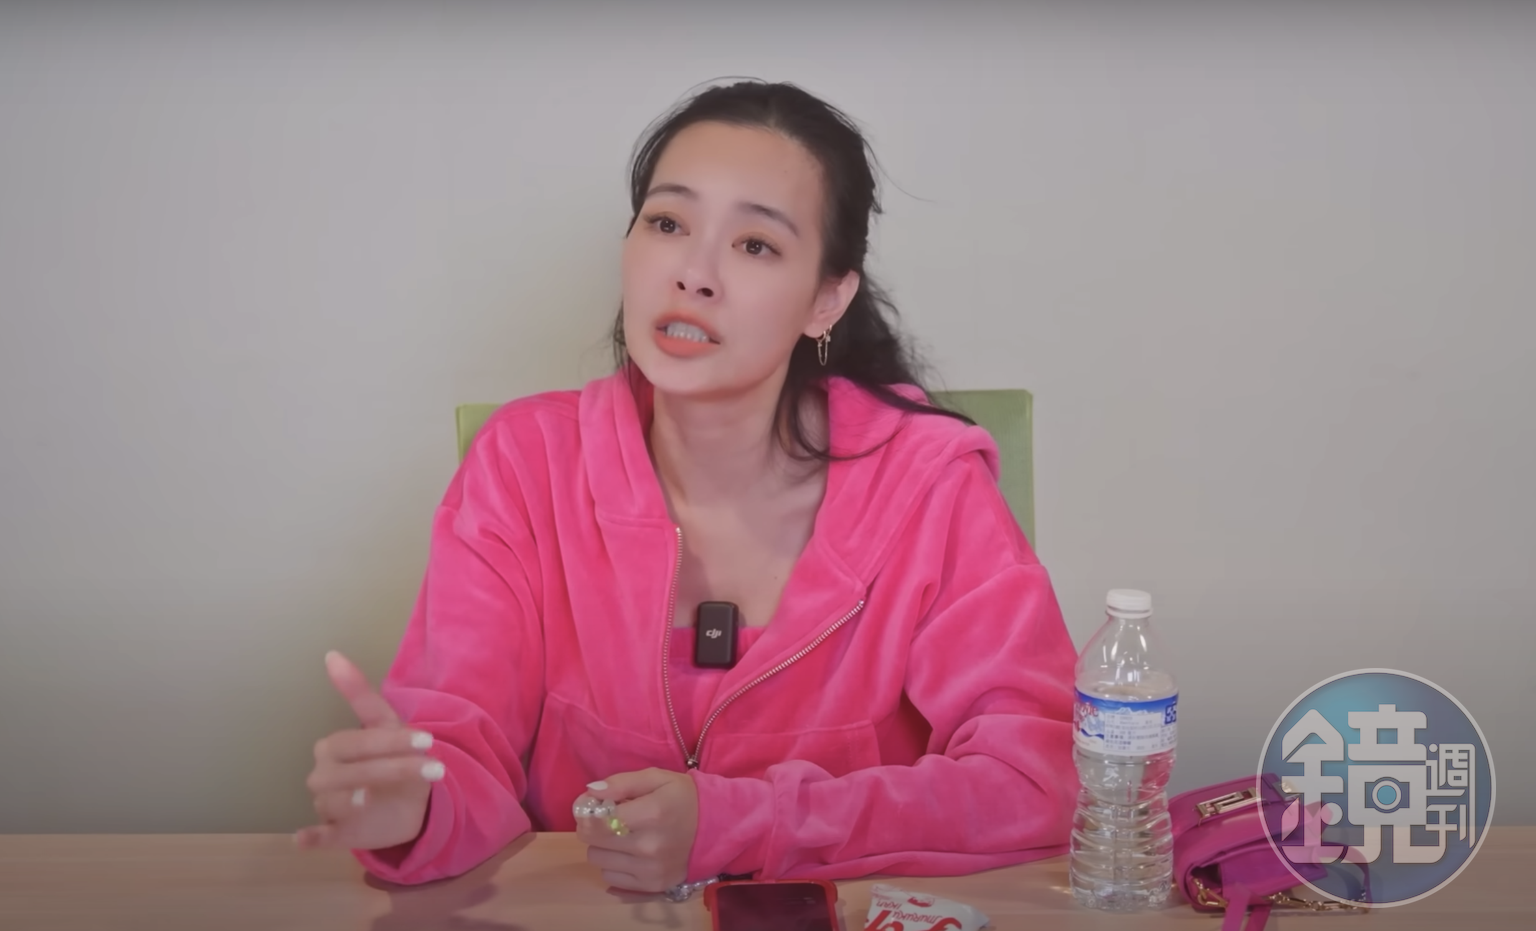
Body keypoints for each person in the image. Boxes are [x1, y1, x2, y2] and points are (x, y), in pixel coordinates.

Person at [296, 79, 1079, 897]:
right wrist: (415, 805)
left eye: (756, 245)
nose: (694, 275)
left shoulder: (929, 484)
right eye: (668, 224)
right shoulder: (524, 464)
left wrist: (745, 822)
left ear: (826, 299)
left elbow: (1040, 778)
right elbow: (459, 751)